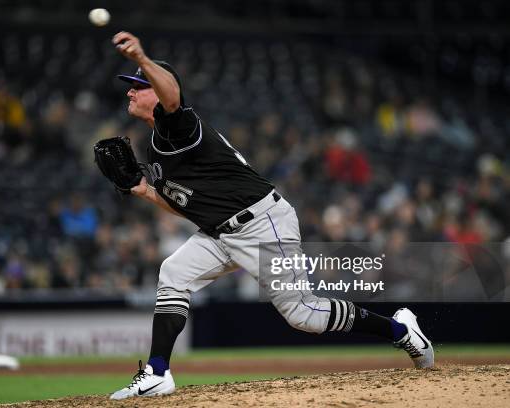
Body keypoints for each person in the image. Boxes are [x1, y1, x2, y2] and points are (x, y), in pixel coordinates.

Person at [108, 31, 434, 400]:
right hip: (221, 232)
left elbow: (173, 97)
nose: (131, 91)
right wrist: (144, 191)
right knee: (174, 272)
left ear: (160, 89)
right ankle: (158, 372)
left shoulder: (179, 125)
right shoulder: (158, 148)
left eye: (139, 84)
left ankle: (400, 330)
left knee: (304, 316)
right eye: (132, 85)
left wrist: (143, 59)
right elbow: (188, 207)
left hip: (263, 223)